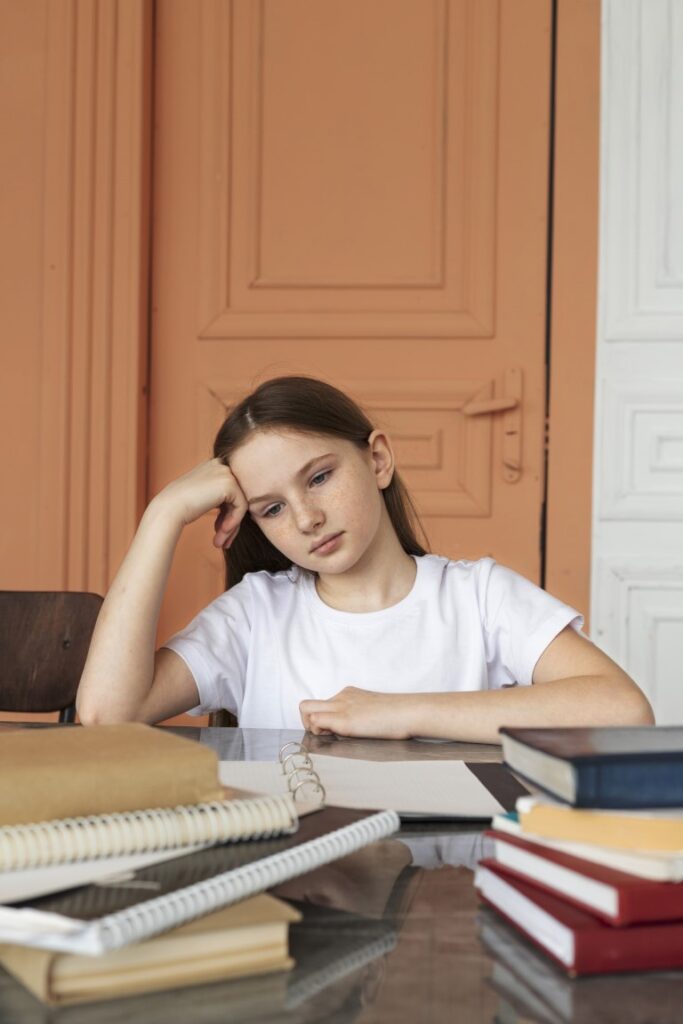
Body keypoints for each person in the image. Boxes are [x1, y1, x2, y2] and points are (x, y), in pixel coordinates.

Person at [77, 376, 654, 741]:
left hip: (446, 885)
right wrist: (162, 516)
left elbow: (623, 709)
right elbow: (107, 715)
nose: (306, 518)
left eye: (320, 477)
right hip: (293, 890)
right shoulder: (255, 616)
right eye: (271, 508)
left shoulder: (478, 597)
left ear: (377, 460)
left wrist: (402, 713)